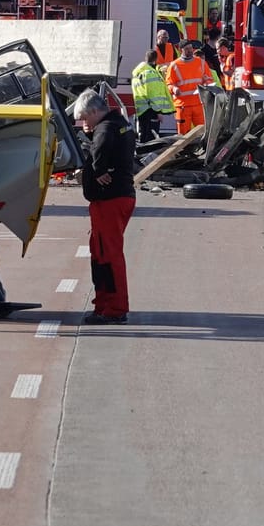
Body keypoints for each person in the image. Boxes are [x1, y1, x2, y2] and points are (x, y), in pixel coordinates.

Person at [73, 89, 136, 324]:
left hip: (109, 200)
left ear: (94, 112)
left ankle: (114, 308)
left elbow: (100, 149)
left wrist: (97, 170)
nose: (85, 125)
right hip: (119, 197)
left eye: (86, 119)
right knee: (102, 253)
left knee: (107, 255)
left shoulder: (106, 128)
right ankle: (105, 304)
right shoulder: (120, 124)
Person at [165, 39, 220, 134]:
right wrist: (174, 89)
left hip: (199, 104)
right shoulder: (174, 66)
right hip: (183, 106)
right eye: (187, 49)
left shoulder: (201, 62)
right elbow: (169, 84)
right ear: (180, 50)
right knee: (183, 136)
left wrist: (207, 82)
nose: (190, 51)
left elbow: (209, 79)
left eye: (191, 48)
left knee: (202, 132)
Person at [129, 47, 174, 142]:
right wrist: (158, 112)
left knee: (143, 137)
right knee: (151, 140)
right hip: (151, 111)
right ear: (156, 59)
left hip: (142, 110)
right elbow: (153, 95)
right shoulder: (150, 73)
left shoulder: (138, 73)